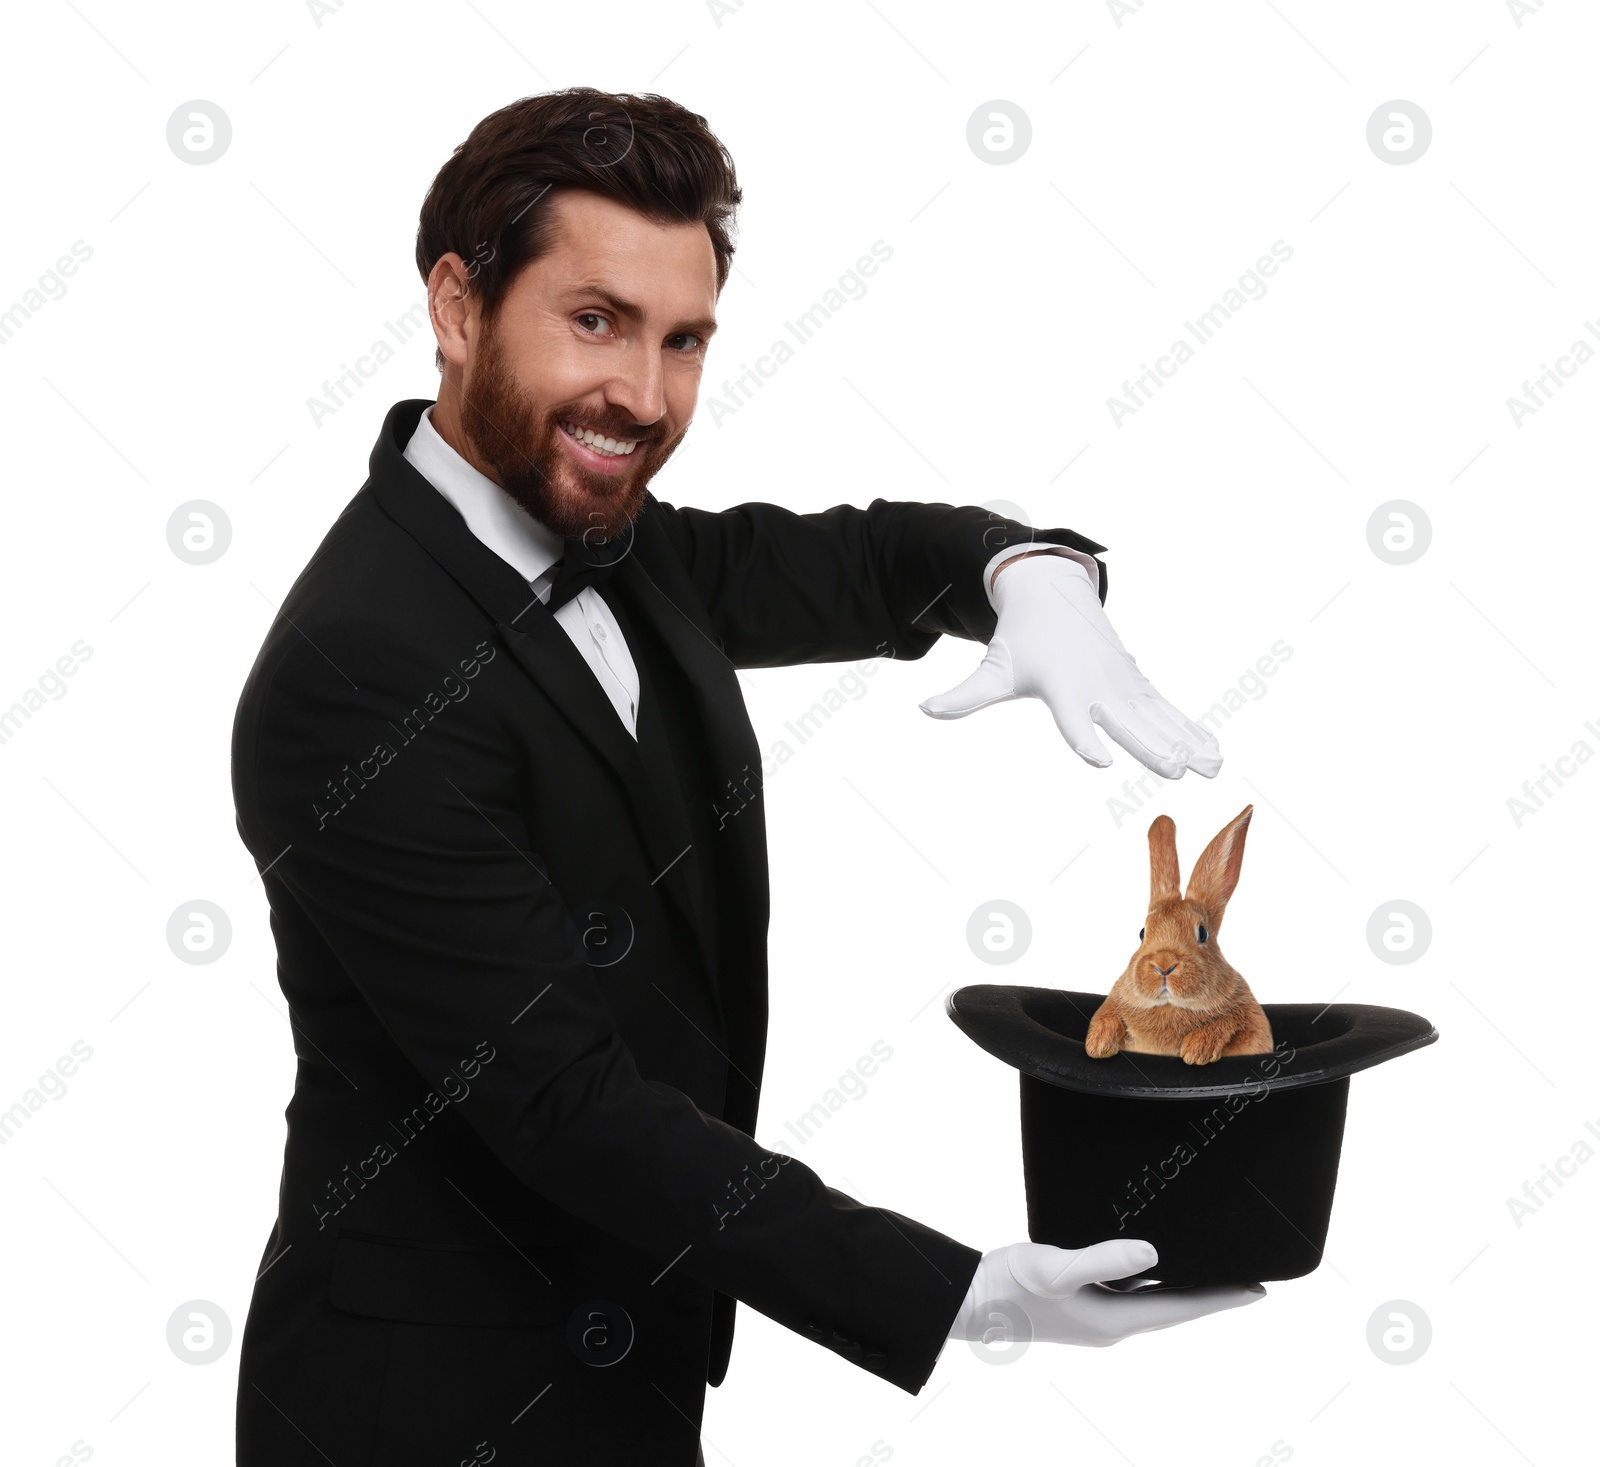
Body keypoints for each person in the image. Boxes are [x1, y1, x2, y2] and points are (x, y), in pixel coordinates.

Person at [230, 86, 1258, 1466]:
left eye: (684, 341)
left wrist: (1034, 578)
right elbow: (559, 1102)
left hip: (628, 1359)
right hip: (427, 1408)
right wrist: (946, 1292)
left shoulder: (616, 542)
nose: (644, 399)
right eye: (593, 321)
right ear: (460, 305)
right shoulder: (355, 670)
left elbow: (865, 560)